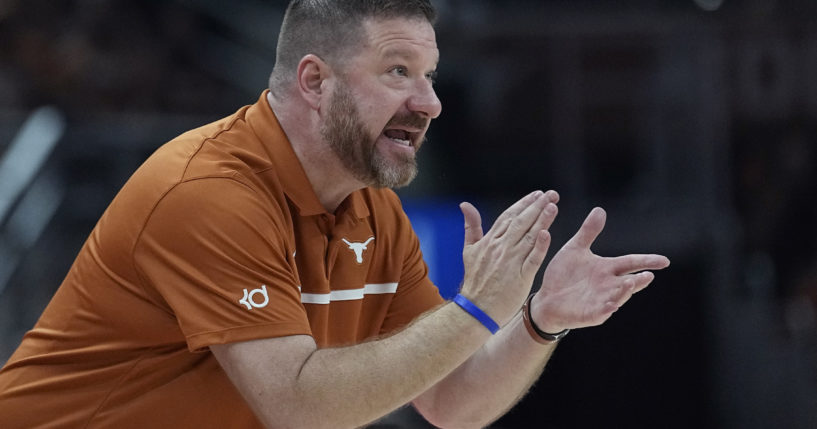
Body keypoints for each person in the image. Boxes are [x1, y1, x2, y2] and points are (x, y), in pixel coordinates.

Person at [0, 1, 670, 428]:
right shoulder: (207, 192)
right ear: (315, 83)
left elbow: (448, 401)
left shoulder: (373, 210)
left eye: (430, 75)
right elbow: (297, 406)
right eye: (398, 72)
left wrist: (535, 320)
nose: (430, 101)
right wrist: (472, 310)